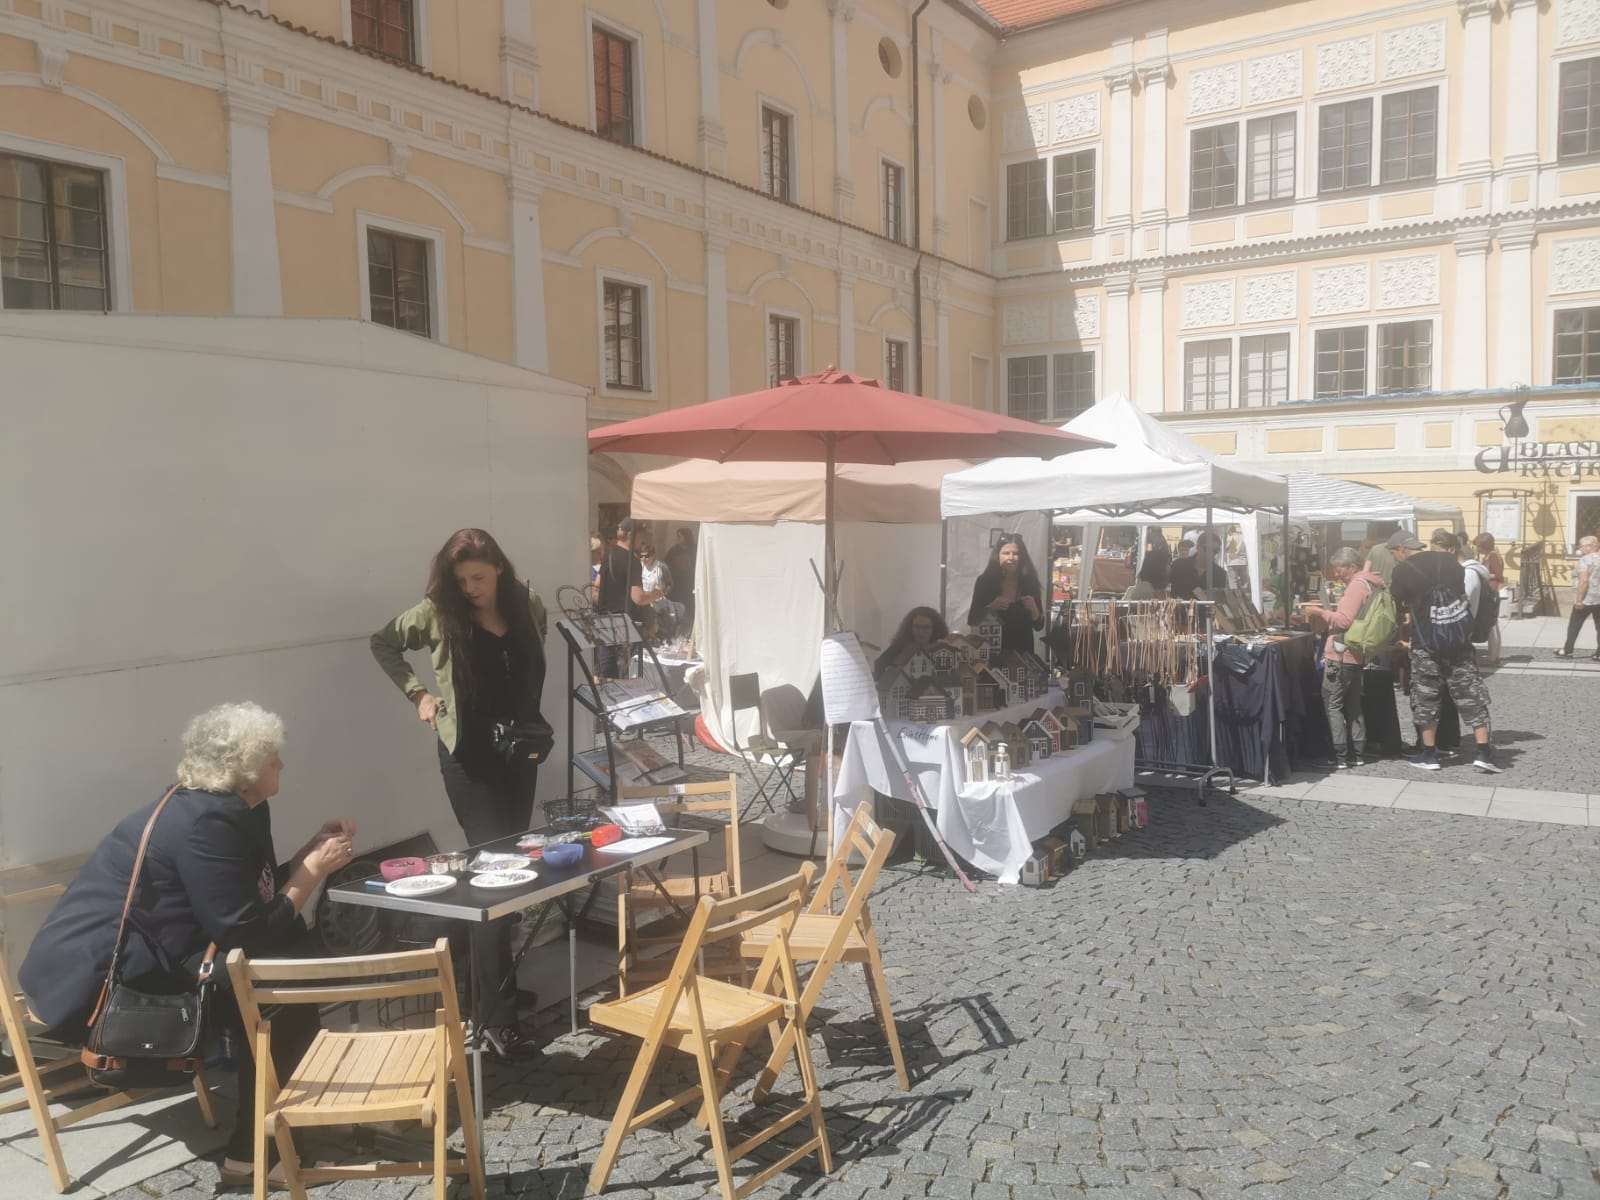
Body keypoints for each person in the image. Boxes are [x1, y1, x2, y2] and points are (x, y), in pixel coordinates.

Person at [19, 703, 355, 1187]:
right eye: (272, 758)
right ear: (245, 772)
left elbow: (250, 901)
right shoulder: (206, 822)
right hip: (107, 978)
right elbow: (246, 932)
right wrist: (313, 872)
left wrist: (309, 853)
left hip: (165, 945)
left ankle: (283, 1125)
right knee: (275, 991)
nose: (281, 764)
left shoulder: (237, 808)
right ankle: (256, 1155)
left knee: (292, 960)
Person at [372, 528, 549, 1058]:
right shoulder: (436, 611)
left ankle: (492, 989)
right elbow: (383, 642)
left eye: (478, 577)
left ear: (499, 568)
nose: (470, 589)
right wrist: (419, 695)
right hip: (468, 757)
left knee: (514, 869)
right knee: (492, 873)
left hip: (519, 751)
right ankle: (495, 1019)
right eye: (461, 580)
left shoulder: (527, 603)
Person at [1387, 531, 1501, 773]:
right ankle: (1484, 752)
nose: (1394, 557)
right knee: (1471, 694)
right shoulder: (1450, 562)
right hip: (1458, 640)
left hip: (1426, 643)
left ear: (1402, 549)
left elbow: (1397, 604)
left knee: (1426, 696)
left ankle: (1429, 754)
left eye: (1393, 552)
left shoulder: (1402, 570)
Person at [1308, 547, 1385, 769]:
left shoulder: (1356, 586)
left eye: (1339, 568)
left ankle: (1339, 755)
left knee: (1333, 705)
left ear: (1352, 567)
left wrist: (1319, 612)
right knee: (1354, 706)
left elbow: (1343, 621)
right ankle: (1357, 753)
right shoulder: (1371, 584)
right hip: (1357, 653)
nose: (1336, 573)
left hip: (1342, 653)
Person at [968, 534, 1045, 655]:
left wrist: (1034, 609)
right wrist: (991, 607)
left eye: (1016, 553)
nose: (1011, 558)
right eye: (1006, 553)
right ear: (997, 556)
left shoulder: (1029, 582)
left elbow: (1039, 626)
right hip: (993, 654)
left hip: (1023, 655)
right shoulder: (985, 582)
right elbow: (972, 619)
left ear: (1022, 557)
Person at [874, 606, 950, 680]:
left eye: (926, 628)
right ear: (910, 627)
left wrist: (947, 649)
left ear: (935, 629)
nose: (920, 632)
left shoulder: (941, 647)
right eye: (916, 627)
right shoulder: (901, 645)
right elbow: (879, 664)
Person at [1555, 534, 1600, 659]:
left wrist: (1579, 600)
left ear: (1590, 546)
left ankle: (1567, 650)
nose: (1580, 549)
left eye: (1582, 546)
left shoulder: (1585, 560)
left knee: (1574, 624)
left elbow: (1584, 580)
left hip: (1586, 599)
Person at [636, 540, 683, 641]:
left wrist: (663, 592)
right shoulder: (638, 567)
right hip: (643, 601)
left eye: (646, 556)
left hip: (658, 602)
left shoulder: (661, 567)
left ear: (653, 555)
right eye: (641, 556)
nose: (643, 559)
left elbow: (670, 583)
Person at [1473, 533, 1506, 665]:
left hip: (1491, 592)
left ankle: (1492, 657)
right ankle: (1495, 655)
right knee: (1494, 625)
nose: (1477, 549)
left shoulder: (1492, 556)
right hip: (1493, 592)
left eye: (1478, 546)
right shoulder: (1493, 555)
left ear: (1484, 545)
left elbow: (1498, 575)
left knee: (1491, 626)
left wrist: (1482, 573)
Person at [664, 526, 697, 623]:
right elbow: (665, 564)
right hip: (676, 583)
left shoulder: (694, 549)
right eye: (677, 536)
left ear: (687, 537)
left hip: (690, 583)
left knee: (689, 605)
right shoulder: (674, 550)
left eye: (680, 536)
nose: (677, 539)